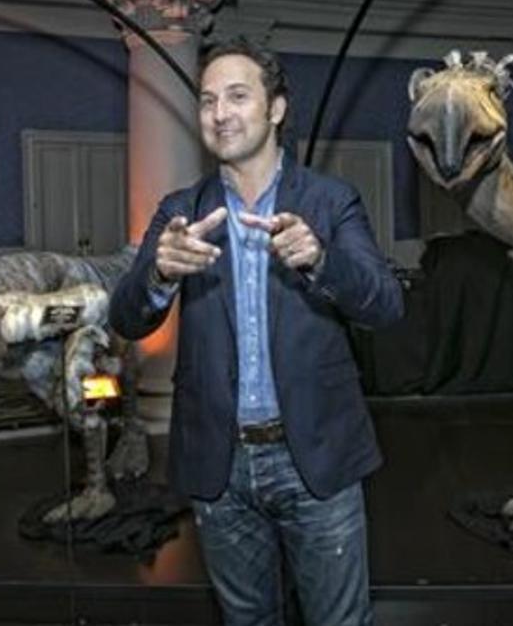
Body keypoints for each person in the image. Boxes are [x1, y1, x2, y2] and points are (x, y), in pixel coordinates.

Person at [109, 37, 403, 625]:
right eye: (208, 100)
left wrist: (322, 260)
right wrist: (162, 271)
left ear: (276, 109)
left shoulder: (329, 201)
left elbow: (386, 306)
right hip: (220, 466)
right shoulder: (178, 211)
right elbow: (125, 317)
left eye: (238, 96)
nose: (219, 113)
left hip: (315, 458)